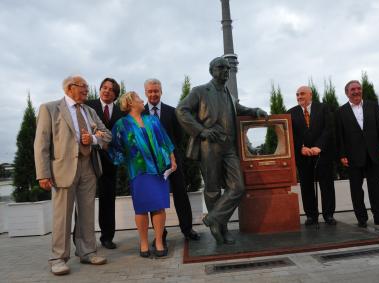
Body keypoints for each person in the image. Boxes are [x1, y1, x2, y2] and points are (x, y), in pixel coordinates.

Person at [176, 57, 268, 244]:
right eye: (221, 68)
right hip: (209, 146)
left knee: (238, 187)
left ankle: (213, 219)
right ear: (211, 71)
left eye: (227, 68)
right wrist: (201, 131)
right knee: (212, 190)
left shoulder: (229, 94)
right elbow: (181, 110)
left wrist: (255, 110)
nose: (225, 71)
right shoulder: (200, 91)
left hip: (229, 148)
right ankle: (221, 230)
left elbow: (238, 108)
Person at [34, 75, 110, 275]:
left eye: (86, 86)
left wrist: (93, 138)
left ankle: (87, 252)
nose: (87, 89)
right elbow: (41, 143)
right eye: (83, 86)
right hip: (62, 170)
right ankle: (58, 258)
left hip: (89, 167)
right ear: (70, 88)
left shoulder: (90, 111)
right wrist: (43, 173)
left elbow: (107, 135)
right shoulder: (49, 108)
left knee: (87, 212)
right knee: (62, 216)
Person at [109, 91, 177, 258]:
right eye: (139, 98)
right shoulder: (121, 124)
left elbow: (165, 141)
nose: (142, 101)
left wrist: (173, 160)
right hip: (138, 171)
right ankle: (144, 243)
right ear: (131, 103)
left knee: (159, 207)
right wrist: (126, 160)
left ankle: (159, 241)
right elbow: (113, 147)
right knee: (141, 209)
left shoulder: (152, 120)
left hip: (159, 170)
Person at [143, 78, 200, 244]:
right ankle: (161, 233)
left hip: (173, 161)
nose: (153, 94)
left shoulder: (172, 112)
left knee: (181, 193)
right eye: (150, 91)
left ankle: (187, 229)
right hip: (151, 164)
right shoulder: (141, 114)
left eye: (156, 91)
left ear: (161, 92)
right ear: (146, 92)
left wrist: (171, 154)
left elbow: (178, 137)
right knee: (155, 198)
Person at [336, 80, 379, 228]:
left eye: (358, 89)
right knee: (356, 189)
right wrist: (342, 155)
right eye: (353, 90)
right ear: (347, 93)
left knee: (377, 188)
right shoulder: (340, 111)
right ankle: (362, 219)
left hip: (373, 153)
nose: (356, 91)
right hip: (352, 156)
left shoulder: (373, 106)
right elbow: (339, 135)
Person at [288, 86, 337, 226]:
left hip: (323, 155)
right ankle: (311, 216)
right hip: (303, 157)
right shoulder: (291, 113)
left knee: (326, 185)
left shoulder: (323, 108)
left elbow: (329, 129)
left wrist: (319, 146)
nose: (299, 97)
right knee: (306, 187)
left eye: (302, 94)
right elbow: (291, 136)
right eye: (297, 94)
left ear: (310, 94)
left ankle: (328, 215)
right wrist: (301, 148)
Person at [86, 78, 123, 249]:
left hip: (110, 161)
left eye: (110, 89)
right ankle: (83, 240)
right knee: (84, 200)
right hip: (88, 158)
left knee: (108, 200)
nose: (106, 91)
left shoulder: (120, 111)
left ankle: (107, 237)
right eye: (104, 87)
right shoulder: (87, 105)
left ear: (116, 94)